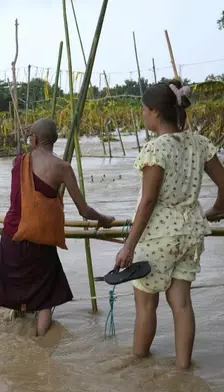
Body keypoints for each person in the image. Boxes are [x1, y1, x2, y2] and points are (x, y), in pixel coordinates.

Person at [113, 81, 224, 370]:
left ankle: (137, 366)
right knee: (182, 304)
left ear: (153, 112)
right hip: (191, 234)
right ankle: (183, 371)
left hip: (158, 237)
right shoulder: (199, 144)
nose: (142, 115)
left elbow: (148, 203)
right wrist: (215, 210)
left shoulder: (156, 149)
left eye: (143, 110)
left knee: (146, 306)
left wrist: (129, 246)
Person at [0, 118, 114, 336]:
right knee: (44, 298)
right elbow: (84, 210)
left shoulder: (18, 162)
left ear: (33, 139)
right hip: (41, 242)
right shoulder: (62, 168)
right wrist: (104, 219)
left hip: (11, 238)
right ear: (54, 140)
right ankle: (43, 344)